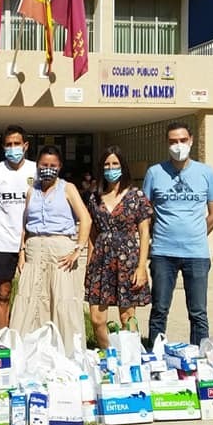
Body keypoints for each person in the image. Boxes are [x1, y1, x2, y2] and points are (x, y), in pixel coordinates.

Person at [142, 122, 213, 348]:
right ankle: (156, 355)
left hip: (196, 254)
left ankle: (200, 357)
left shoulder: (205, 172)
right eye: (172, 141)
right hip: (162, 253)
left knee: (198, 312)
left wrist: (197, 233)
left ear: (190, 140)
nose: (177, 145)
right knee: (159, 309)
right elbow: (145, 213)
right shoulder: (155, 172)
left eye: (182, 140)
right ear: (166, 143)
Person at [10, 145, 92, 355]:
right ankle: (30, 352)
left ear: (60, 166)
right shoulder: (31, 191)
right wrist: (21, 252)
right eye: (44, 165)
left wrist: (78, 249)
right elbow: (24, 224)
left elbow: (86, 219)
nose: (48, 169)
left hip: (60, 248)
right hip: (35, 249)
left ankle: (66, 352)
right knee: (31, 298)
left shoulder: (68, 189)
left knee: (61, 299)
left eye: (52, 165)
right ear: (37, 166)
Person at [84, 146, 153, 347]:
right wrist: (89, 265)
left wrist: (142, 267)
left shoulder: (135, 196)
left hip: (128, 260)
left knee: (127, 317)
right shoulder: (94, 198)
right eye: (107, 164)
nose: (111, 168)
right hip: (101, 261)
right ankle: (108, 355)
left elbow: (144, 232)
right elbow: (92, 234)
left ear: (122, 166)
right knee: (97, 318)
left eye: (115, 164)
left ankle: (129, 358)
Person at [0, 125, 36, 330]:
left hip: (32, 242)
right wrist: (2, 225)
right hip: (3, 243)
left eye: (17, 144)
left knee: (34, 294)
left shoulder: (36, 170)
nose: (13, 148)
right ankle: (4, 337)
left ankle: (29, 334)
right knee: (3, 293)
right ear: (3, 147)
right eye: (9, 144)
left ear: (26, 145)